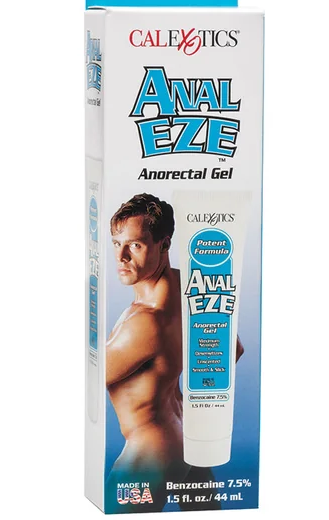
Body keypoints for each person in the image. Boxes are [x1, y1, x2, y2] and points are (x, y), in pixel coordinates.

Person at [105, 193, 243, 513]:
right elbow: (231, 349)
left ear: (164, 244)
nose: (121, 256)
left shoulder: (144, 323)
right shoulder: (191, 288)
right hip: (187, 438)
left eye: (135, 245)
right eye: (116, 243)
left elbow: (88, 377)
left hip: (150, 451)